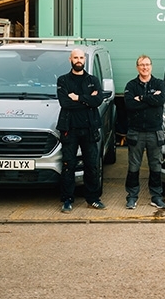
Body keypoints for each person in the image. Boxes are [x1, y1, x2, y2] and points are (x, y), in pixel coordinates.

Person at [56, 48, 105, 213]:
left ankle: (93, 199)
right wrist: (87, 99)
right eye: (75, 57)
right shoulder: (63, 80)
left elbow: (98, 100)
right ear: (70, 59)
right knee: (68, 165)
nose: (78, 60)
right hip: (69, 129)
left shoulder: (92, 79)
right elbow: (65, 103)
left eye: (81, 57)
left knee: (92, 165)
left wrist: (78, 97)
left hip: (89, 129)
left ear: (85, 59)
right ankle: (67, 200)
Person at [124, 55, 165, 210]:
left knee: (156, 166)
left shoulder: (159, 83)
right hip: (136, 132)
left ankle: (156, 196)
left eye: (147, 64)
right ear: (137, 67)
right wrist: (150, 99)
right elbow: (129, 105)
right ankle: (132, 197)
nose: (145, 67)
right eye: (141, 65)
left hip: (154, 132)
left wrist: (141, 98)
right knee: (133, 166)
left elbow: (160, 101)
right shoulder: (131, 85)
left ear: (151, 66)